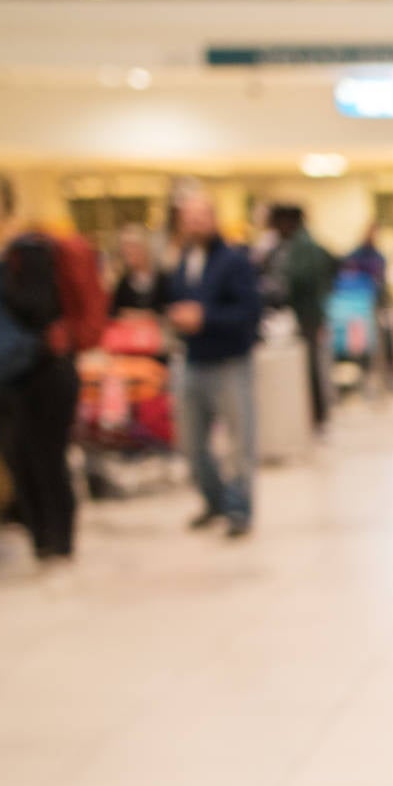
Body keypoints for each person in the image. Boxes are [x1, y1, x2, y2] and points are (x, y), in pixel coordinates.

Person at [0, 220, 83, 565]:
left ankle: (57, 539)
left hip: (45, 373)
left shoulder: (27, 262)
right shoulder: (6, 268)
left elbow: (35, 308)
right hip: (20, 375)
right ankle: (44, 538)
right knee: (26, 459)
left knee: (45, 459)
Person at [166, 190, 262, 537]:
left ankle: (239, 508)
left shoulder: (234, 260)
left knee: (239, 442)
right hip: (193, 361)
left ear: (213, 218)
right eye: (188, 218)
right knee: (191, 442)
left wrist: (205, 317)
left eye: (201, 216)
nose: (195, 223)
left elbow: (250, 311)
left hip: (230, 362)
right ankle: (214, 500)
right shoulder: (184, 261)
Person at [268, 204, 335, 432]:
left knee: (309, 366)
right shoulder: (292, 246)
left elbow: (299, 280)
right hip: (303, 315)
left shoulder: (304, 247)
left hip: (306, 316)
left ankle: (316, 415)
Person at [107, 223, 170, 316]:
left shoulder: (162, 279)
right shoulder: (122, 282)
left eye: (133, 247)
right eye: (125, 248)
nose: (128, 252)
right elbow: (114, 312)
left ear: (145, 248)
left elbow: (167, 310)